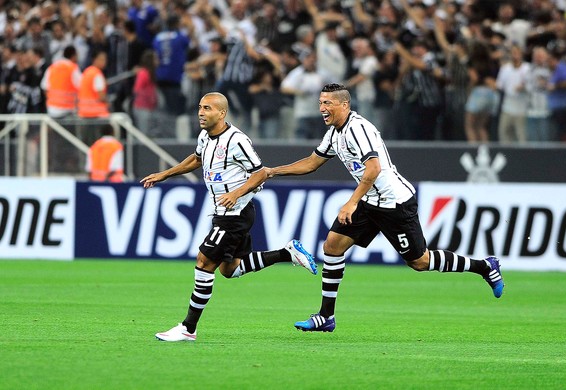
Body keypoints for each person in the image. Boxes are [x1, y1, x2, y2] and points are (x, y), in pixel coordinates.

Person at [265, 84, 504, 333]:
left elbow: (374, 169)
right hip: (370, 201)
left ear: (344, 105)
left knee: (420, 261)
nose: (322, 108)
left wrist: (351, 202)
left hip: (394, 202)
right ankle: (326, 316)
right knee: (332, 246)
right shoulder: (335, 133)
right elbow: (312, 163)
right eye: (321, 103)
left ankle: (484, 266)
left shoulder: (359, 129)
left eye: (328, 103)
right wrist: (272, 171)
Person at [140, 92, 318, 342]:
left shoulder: (237, 140)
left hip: (234, 213)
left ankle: (188, 328)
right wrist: (165, 174)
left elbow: (260, 173)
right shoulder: (204, 136)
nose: (201, 113)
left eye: (208, 108)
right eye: (200, 107)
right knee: (229, 269)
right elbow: (196, 159)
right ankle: (286, 253)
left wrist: (235, 193)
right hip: (226, 211)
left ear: (222, 113)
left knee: (204, 262)